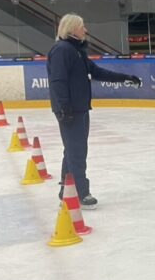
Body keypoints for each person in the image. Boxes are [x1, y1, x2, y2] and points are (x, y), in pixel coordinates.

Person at [47, 13, 141, 208]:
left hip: (80, 108)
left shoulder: (77, 51)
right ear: (72, 29)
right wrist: (64, 108)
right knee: (77, 151)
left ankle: (67, 189)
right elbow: (57, 81)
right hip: (70, 110)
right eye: (82, 27)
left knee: (73, 149)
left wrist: (125, 78)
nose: (86, 30)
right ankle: (82, 192)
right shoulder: (62, 50)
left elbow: (97, 72)